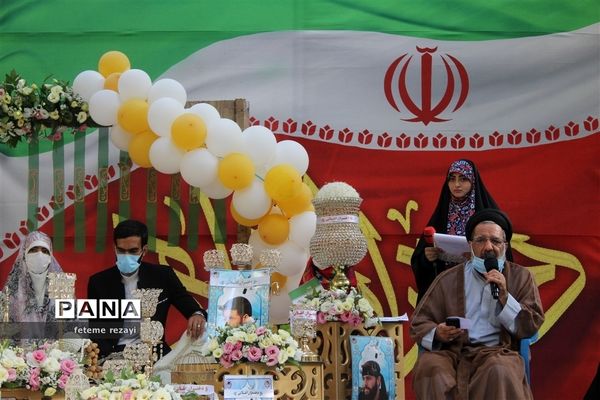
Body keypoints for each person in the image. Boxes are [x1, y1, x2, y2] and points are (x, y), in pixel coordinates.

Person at [410, 209, 544, 400]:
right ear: (470, 245)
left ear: (505, 245)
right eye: (481, 240)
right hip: (453, 352)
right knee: (430, 366)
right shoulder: (447, 279)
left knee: (499, 370)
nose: (488, 247)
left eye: (495, 241)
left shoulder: (521, 277)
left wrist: (505, 296)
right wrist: (437, 332)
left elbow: (531, 324)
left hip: (498, 352)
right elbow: (419, 322)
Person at [87, 219, 207, 359]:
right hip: (115, 354)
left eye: (133, 251)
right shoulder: (99, 282)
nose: (126, 256)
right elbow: (96, 328)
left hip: (155, 353)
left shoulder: (163, 276)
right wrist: (110, 358)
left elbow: (188, 305)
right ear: (115, 248)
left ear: (144, 250)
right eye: (121, 250)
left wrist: (197, 314)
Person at [411, 159, 511, 304]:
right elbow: (419, 259)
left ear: (473, 182)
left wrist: (478, 258)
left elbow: (503, 256)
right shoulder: (442, 214)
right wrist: (427, 258)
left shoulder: (488, 216)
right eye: (452, 179)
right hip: (446, 290)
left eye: (463, 179)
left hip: (481, 288)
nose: (456, 185)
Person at [3, 231, 63, 323]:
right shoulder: (11, 290)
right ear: (24, 255)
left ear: (50, 257)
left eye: (44, 251)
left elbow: (73, 324)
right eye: (34, 250)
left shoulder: (62, 287)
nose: (39, 255)